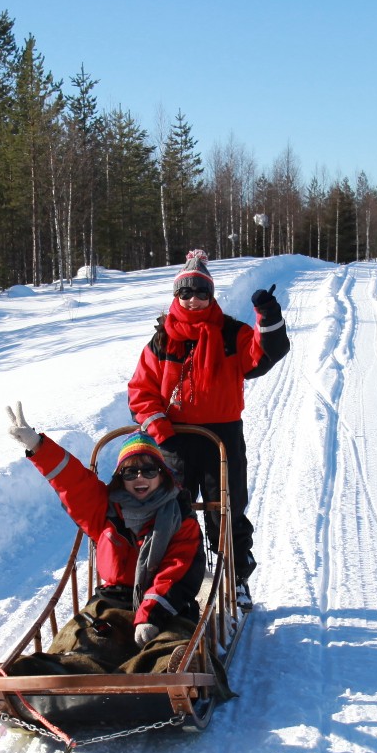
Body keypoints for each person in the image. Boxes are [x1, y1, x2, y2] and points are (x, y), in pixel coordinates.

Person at [127, 250, 287, 608]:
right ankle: (173, 578)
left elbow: (263, 355)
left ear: (211, 295)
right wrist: (161, 429)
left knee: (225, 509)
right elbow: (141, 392)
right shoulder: (162, 341)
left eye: (202, 293)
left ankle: (235, 577)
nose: (194, 300)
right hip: (175, 438)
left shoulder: (232, 333)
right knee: (173, 511)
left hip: (222, 436)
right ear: (176, 296)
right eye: (186, 293)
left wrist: (269, 317)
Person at [1, 404, 205, 676]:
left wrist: (150, 615)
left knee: (168, 641)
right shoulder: (105, 508)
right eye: (130, 472)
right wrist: (38, 446)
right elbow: (72, 482)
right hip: (113, 601)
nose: (139, 478)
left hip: (167, 606)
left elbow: (176, 570)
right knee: (86, 638)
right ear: (121, 477)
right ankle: (47, 673)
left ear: (163, 473)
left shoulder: (180, 517)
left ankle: (167, 672)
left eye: (148, 470)